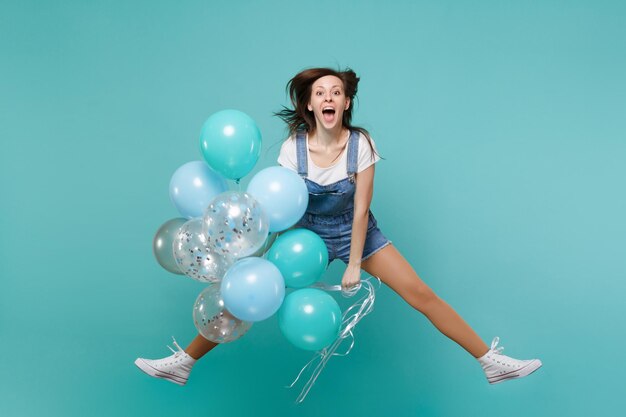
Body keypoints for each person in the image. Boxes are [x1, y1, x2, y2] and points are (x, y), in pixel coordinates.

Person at [135, 67, 542, 387]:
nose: (328, 97)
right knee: (245, 290)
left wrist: (353, 263)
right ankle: (183, 363)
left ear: (346, 103)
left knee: (421, 294)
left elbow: (362, 210)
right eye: (320, 93)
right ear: (310, 106)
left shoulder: (360, 143)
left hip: (354, 231)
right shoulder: (293, 149)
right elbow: (282, 206)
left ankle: (490, 362)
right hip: (304, 233)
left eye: (336, 92)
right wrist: (264, 255)